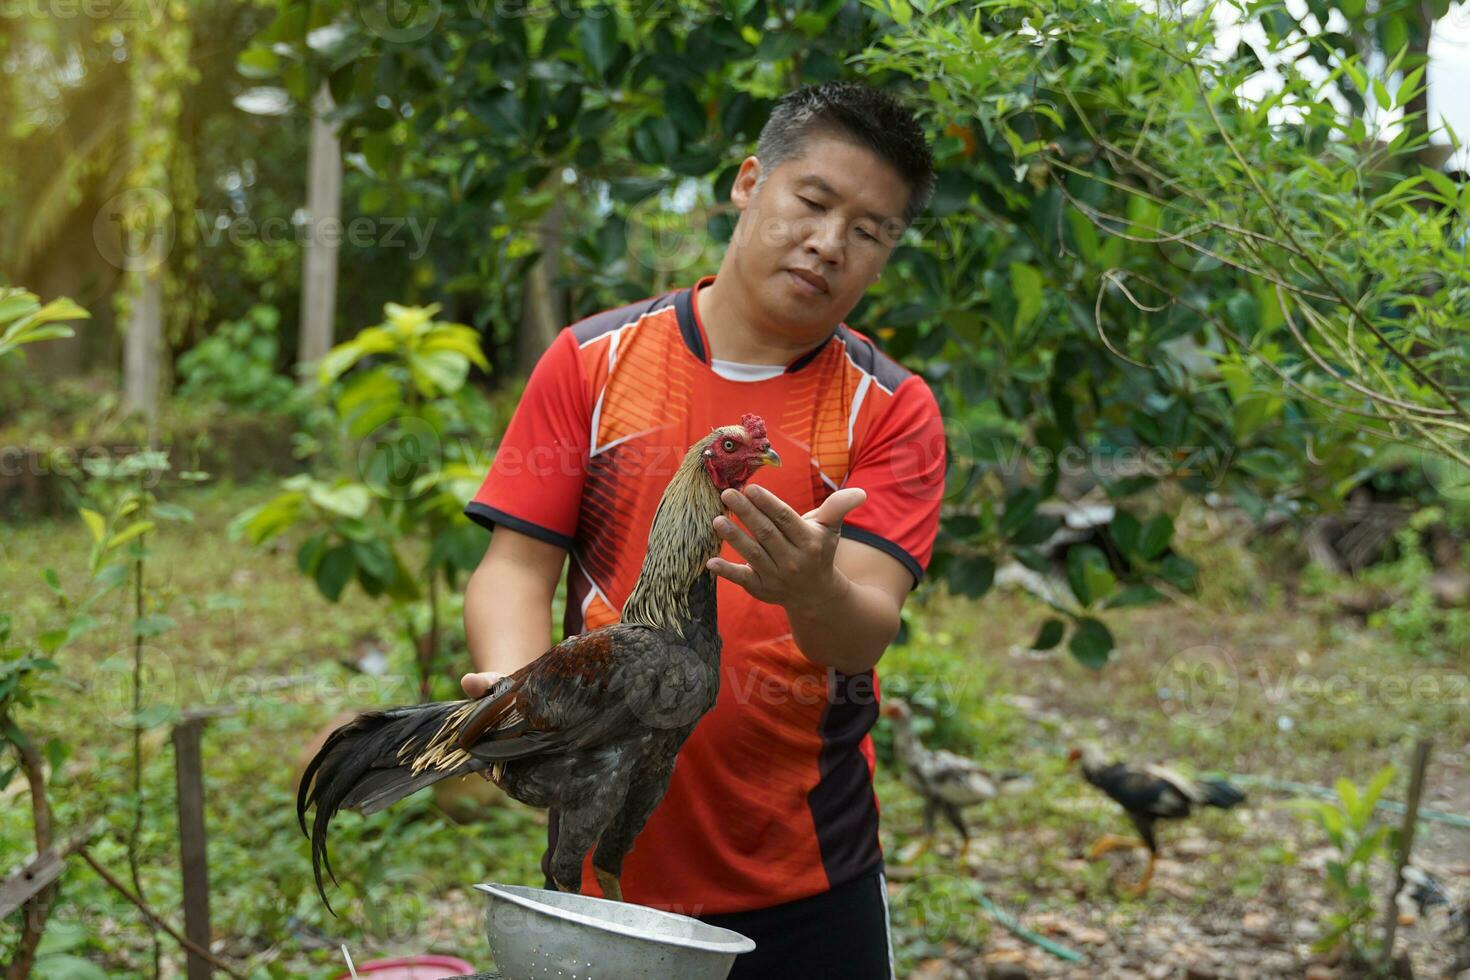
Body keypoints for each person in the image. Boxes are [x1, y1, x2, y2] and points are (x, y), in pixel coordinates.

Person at [461, 80, 944, 979]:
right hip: (607, 874)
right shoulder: (593, 362)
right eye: (812, 201)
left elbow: (865, 628)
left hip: (809, 872)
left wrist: (815, 589)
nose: (830, 243)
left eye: (870, 231)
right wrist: (518, 685)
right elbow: (514, 568)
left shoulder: (893, 408)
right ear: (749, 182)